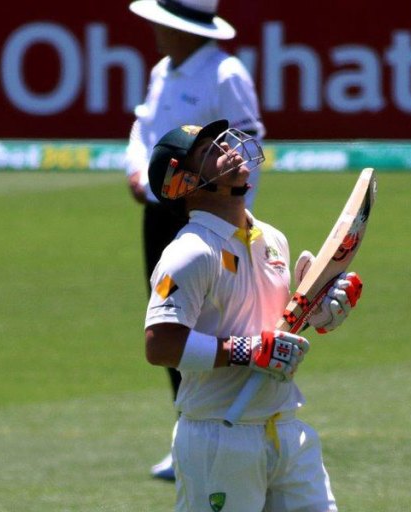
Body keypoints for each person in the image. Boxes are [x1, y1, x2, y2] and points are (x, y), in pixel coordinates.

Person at [144, 120, 360, 511]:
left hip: (285, 425)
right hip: (219, 434)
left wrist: (318, 313)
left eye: (220, 142)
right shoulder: (189, 253)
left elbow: (273, 329)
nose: (227, 149)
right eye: (208, 151)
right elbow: (160, 345)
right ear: (185, 182)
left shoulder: (272, 238)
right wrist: (247, 351)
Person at [125, 0, 266, 480]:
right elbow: (143, 127)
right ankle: (184, 427)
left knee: (216, 318)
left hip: (212, 216)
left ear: (185, 27)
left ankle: (231, 421)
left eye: (163, 22)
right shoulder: (162, 70)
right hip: (159, 211)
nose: (155, 29)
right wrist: (134, 168)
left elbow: (247, 146)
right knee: (168, 317)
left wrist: (235, 218)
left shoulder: (226, 73)